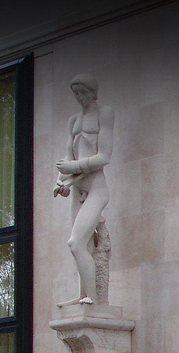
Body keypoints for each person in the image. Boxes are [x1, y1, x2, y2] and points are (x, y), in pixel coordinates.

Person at [54, 73, 114, 307]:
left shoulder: (105, 113)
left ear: (93, 92)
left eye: (83, 92)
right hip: (78, 190)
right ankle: (83, 296)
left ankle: (95, 299)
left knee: (75, 243)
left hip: (97, 189)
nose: (80, 97)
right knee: (84, 245)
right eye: (76, 93)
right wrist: (61, 182)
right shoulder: (73, 121)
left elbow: (104, 157)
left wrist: (72, 168)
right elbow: (68, 157)